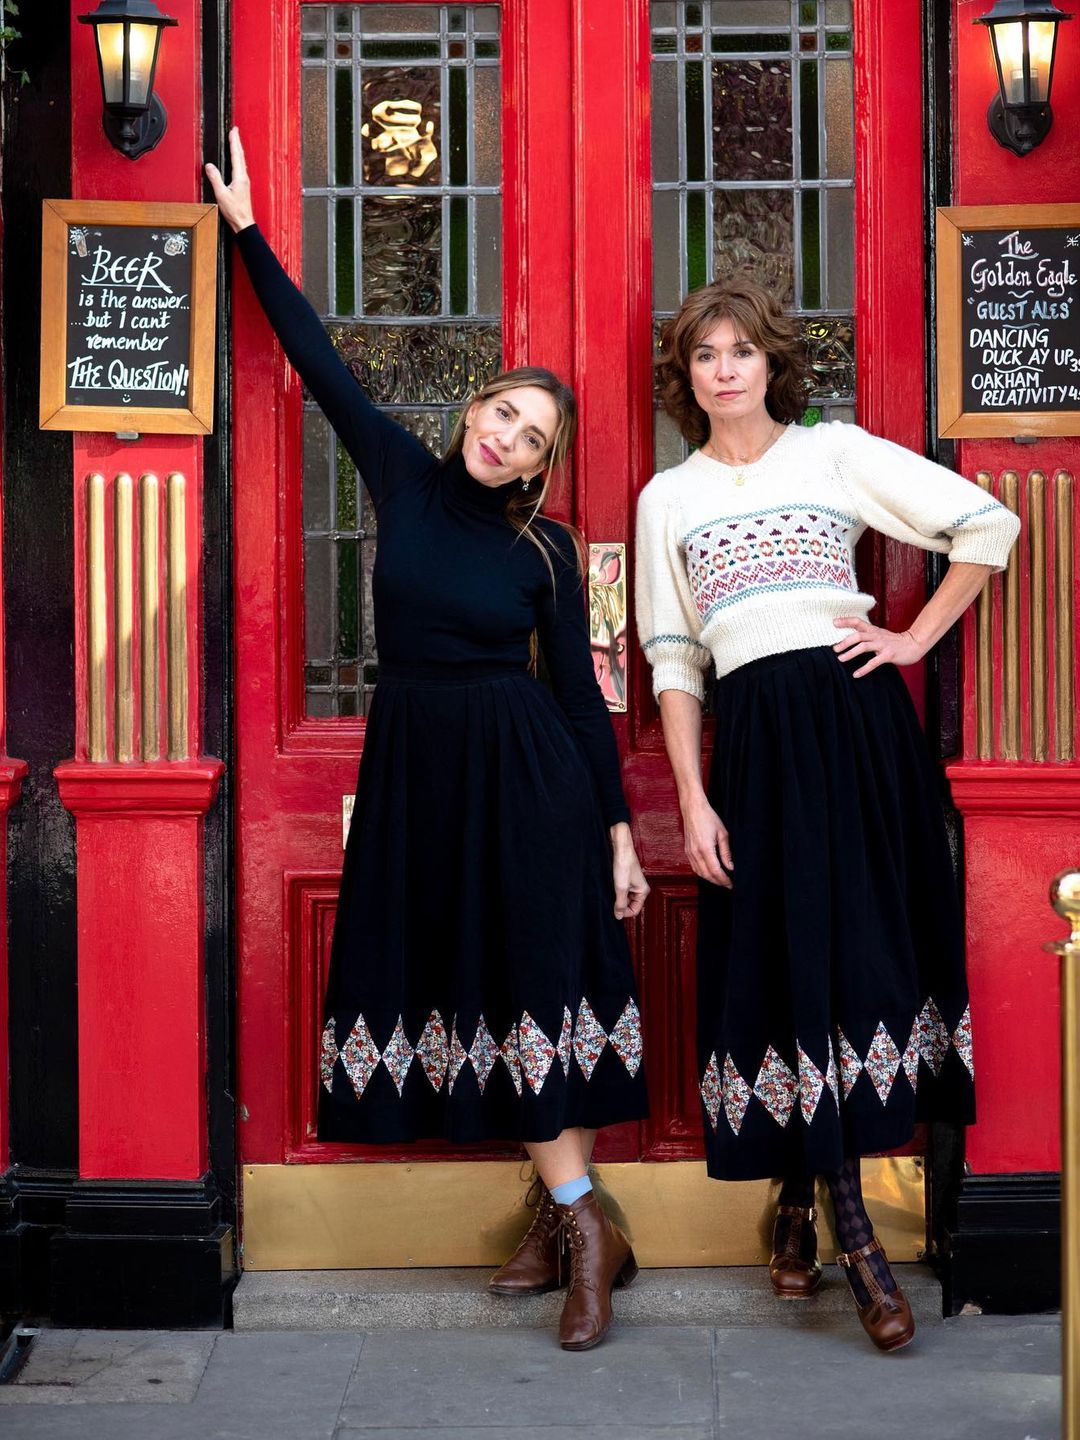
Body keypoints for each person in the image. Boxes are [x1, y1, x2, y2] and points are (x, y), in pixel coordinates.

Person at [206, 128, 649, 1352]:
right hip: (417, 773)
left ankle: (583, 1242)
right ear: (473, 409)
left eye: (532, 437)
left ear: (544, 468)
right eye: (503, 412)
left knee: (532, 993)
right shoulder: (400, 478)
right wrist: (248, 231)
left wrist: (616, 833)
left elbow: (578, 697)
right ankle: (575, 1220)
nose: (506, 437)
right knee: (469, 992)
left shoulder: (545, 554)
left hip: (527, 782)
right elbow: (318, 363)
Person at [634, 277, 1019, 1352]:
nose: (723, 369)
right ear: (687, 374)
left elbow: (990, 522)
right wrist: (694, 798)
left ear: (771, 364)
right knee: (784, 959)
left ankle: (843, 1223)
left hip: (855, 729)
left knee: (852, 958)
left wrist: (913, 639)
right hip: (753, 743)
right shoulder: (669, 497)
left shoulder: (834, 452)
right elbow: (673, 662)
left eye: (741, 352)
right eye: (704, 354)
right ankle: (809, 1204)